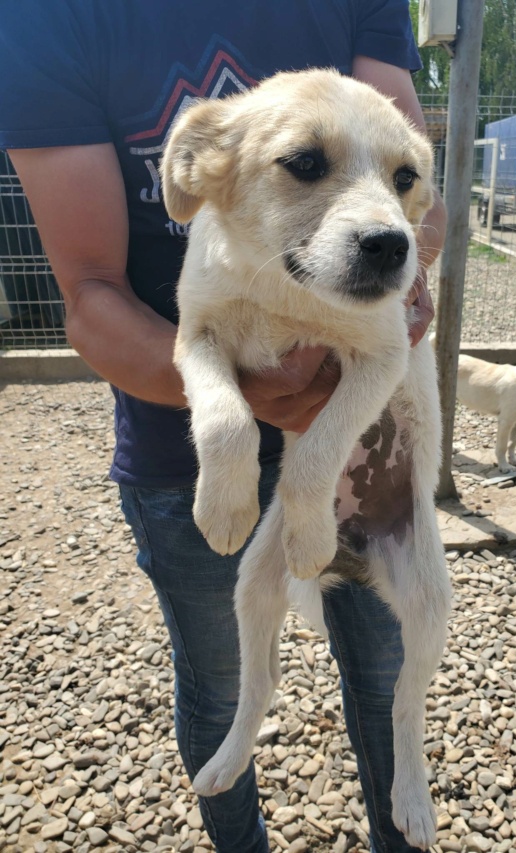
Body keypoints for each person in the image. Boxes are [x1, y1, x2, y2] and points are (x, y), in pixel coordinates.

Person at [0, 3, 446, 851]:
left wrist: (418, 258)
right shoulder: (46, 18)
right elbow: (90, 294)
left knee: (390, 662)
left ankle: (405, 794)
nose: (385, 220)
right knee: (217, 676)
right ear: (201, 166)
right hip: (180, 459)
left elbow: (416, 223)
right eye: (306, 164)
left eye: (399, 184)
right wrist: (235, 418)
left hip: (372, 445)